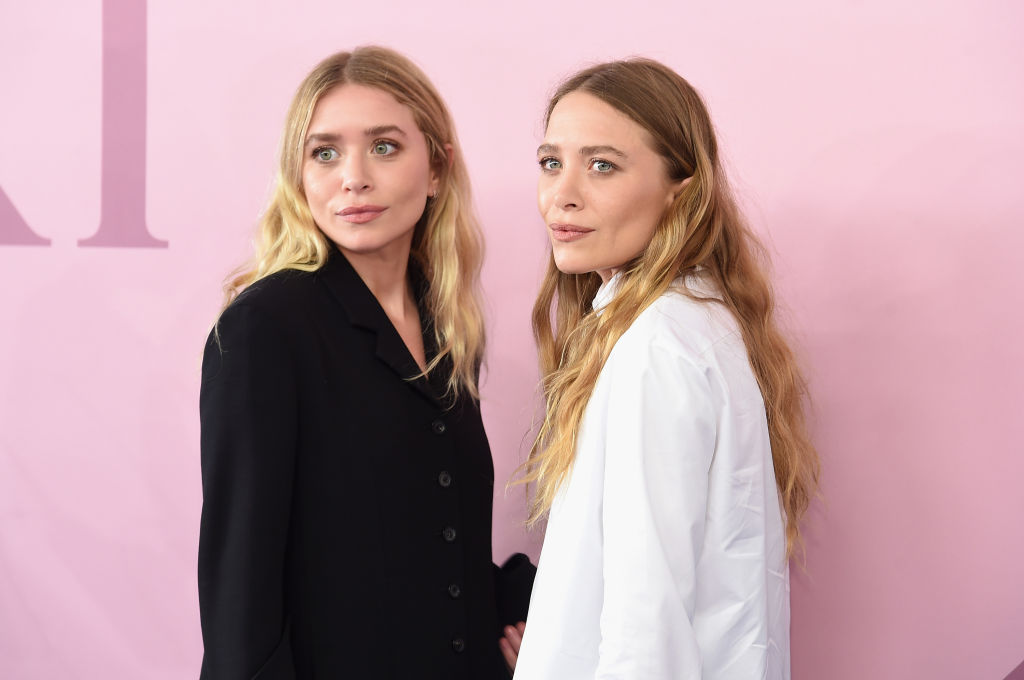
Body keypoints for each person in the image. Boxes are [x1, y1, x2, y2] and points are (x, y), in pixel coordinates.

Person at [198, 46, 531, 680]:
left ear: (437, 169)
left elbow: (428, 542)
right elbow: (240, 590)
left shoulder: (447, 324)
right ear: (299, 176)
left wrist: (524, 610)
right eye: (325, 153)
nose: (353, 177)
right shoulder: (266, 327)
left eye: (383, 147)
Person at [508, 59, 821, 679]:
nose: (562, 193)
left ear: (681, 188)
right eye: (551, 162)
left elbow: (646, 620)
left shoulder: (656, 347)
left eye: (602, 165)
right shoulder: (686, 323)